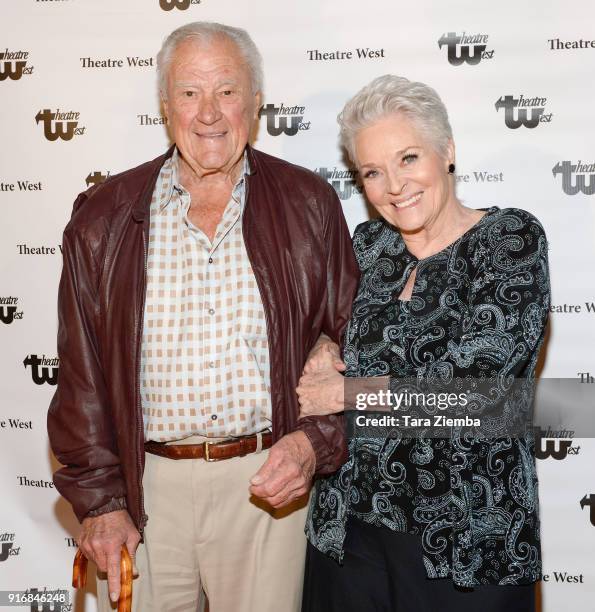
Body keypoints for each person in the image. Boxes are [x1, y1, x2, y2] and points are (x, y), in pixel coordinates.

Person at [47, 22, 358, 612]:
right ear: (166, 106)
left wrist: (315, 442)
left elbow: (355, 344)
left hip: (269, 487)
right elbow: (81, 376)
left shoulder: (309, 204)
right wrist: (102, 500)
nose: (209, 113)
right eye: (190, 92)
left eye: (227, 90)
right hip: (147, 490)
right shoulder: (103, 218)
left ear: (257, 101)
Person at [297, 75, 550, 612]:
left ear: (448, 152)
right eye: (372, 171)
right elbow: (317, 322)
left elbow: (477, 396)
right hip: (349, 537)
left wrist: (344, 395)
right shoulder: (364, 248)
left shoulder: (509, 241)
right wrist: (322, 342)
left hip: (469, 547)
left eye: (408, 158)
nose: (394, 185)